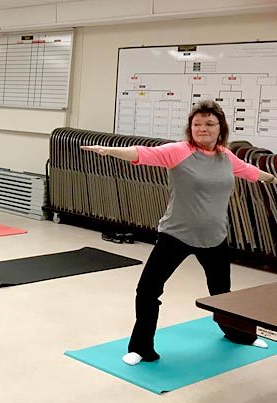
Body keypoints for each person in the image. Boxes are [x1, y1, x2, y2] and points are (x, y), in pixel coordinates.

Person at [81, 100, 274, 366]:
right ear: (190, 128)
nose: (202, 129)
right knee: (148, 290)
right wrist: (108, 150)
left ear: (221, 128)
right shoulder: (178, 151)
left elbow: (252, 173)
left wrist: (273, 178)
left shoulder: (225, 156)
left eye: (209, 124)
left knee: (222, 293)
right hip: (176, 235)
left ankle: (238, 335)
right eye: (197, 124)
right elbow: (142, 154)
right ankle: (141, 348)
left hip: (215, 237)